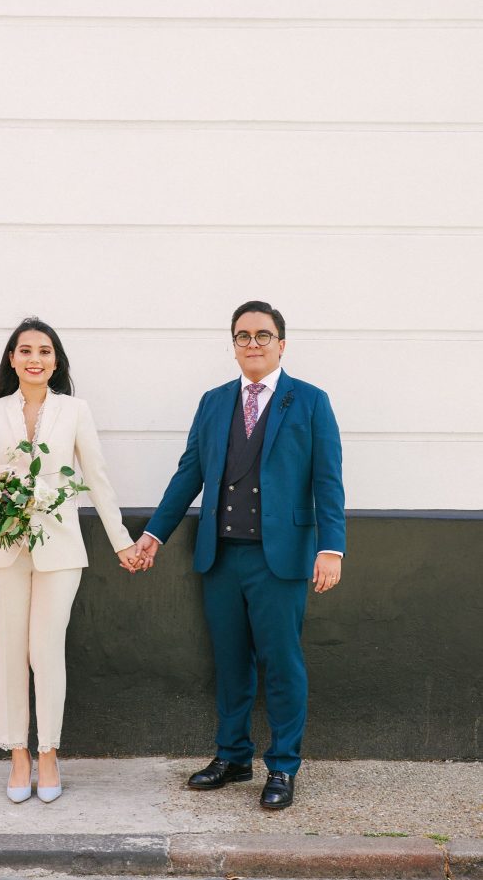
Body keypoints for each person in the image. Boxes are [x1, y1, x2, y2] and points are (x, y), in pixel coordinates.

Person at [134, 300, 345, 810]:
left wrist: (331, 547)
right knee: (230, 663)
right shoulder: (213, 402)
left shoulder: (310, 401)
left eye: (263, 335)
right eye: (243, 336)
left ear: (281, 343)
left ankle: (284, 767)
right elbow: (189, 473)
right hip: (221, 556)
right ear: (233, 345)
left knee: (281, 664)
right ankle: (232, 757)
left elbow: (328, 479)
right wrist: (154, 534)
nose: (253, 343)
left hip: (283, 559)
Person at [0, 317, 140, 804]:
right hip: (2, 552)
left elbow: (98, 478)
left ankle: (48, 753)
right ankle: (18, 755)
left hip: (60, 548)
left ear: (56, 361)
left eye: (44, 351)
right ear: (12, 359)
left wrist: (121, 541)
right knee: (10, 654)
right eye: (25, 350)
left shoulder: (75, 411)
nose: (35, 359)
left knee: (45, 652)